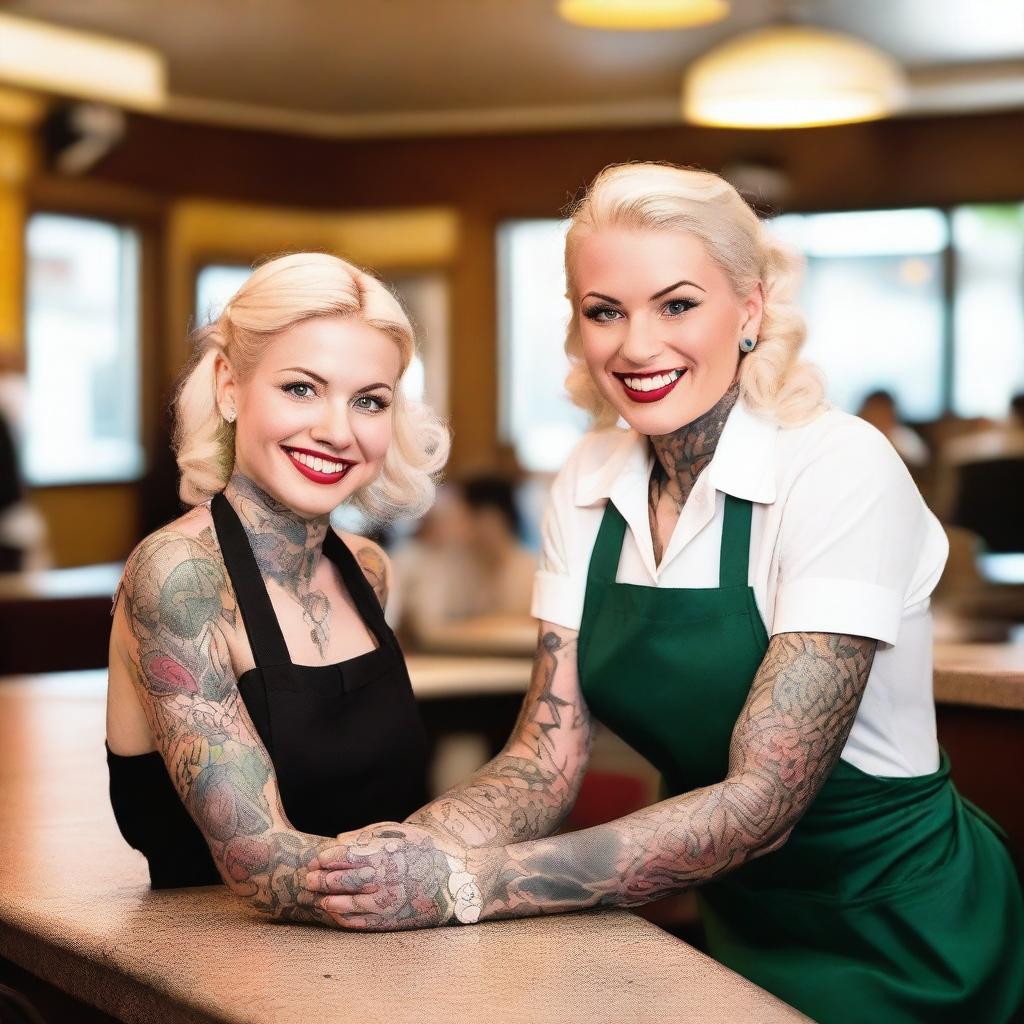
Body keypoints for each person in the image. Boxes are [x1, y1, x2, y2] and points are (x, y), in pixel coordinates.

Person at [303, 165, 1024, 1023]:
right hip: (738, 932)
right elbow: (545, 757)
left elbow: (762, 803)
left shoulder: (839, 468)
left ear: (749, 310)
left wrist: (467, 881)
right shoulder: (588, 477)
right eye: (604, 311)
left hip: (910, 938)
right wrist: (398, 856)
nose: (637, 347)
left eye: (677, 305)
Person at [105, 253, 449, 918]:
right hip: (208, 979)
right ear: (231, 386)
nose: (336, 430)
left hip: (379, 963)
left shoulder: (367, 567)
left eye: (369, 401)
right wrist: (467, 875)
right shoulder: (177, 574)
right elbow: (256, 861)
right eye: (301, 389)